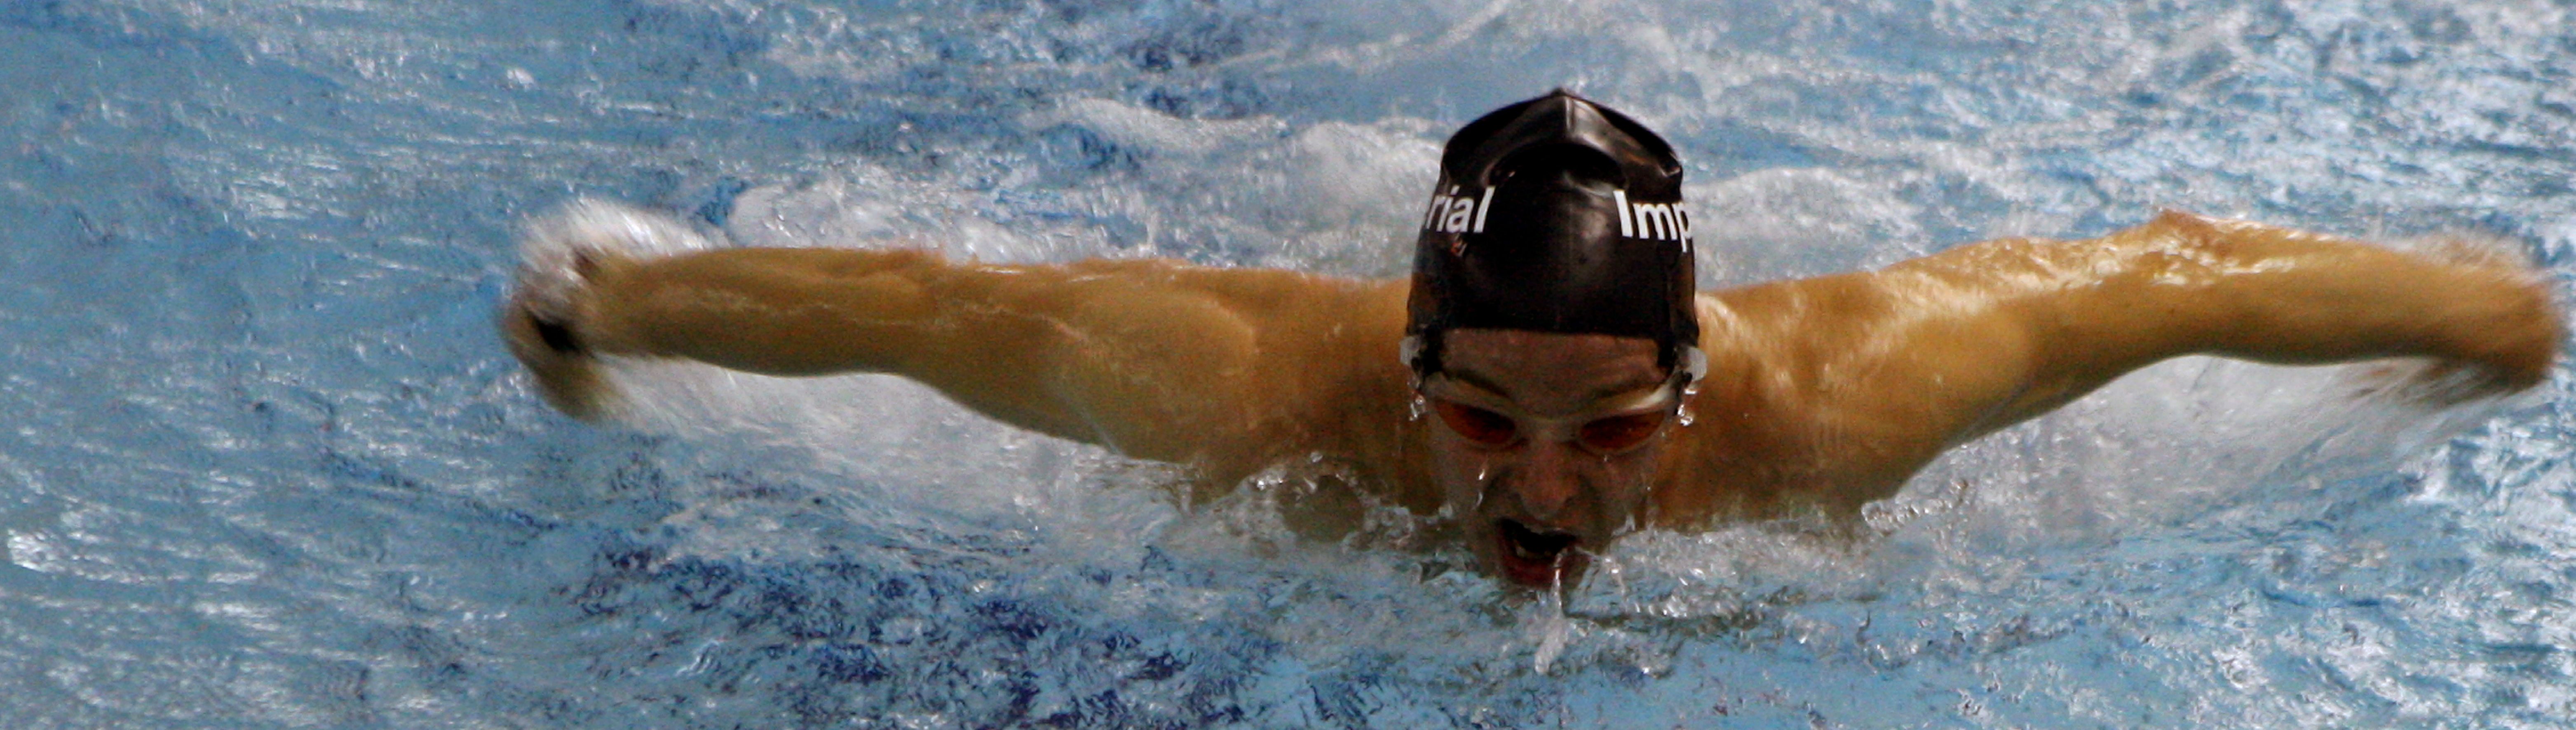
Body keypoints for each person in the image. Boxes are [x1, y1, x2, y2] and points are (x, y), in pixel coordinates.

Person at [500, 90, 2562, 591]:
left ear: (1696, 378)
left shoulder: (1847, 396)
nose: (1548, 493)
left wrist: (2478, 314)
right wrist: (612, 305)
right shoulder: (1235, 387)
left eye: (1613, 426)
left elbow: (2163, 275)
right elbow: (938, 315)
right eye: (1482, 414)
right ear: (1406, 367)